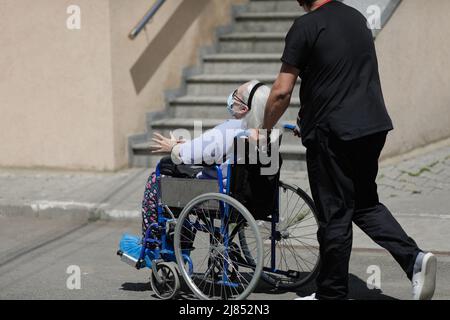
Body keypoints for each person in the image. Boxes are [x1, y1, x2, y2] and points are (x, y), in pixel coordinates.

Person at [262, 0, 437, 300]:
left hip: (334, 135)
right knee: (365, 205)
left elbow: (281, 91)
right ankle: (414, 260)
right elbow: (340, 77)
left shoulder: (305, 26)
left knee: (334, 215)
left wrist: (263, 129)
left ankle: (331, 295)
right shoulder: (357, 19)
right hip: (371, 127)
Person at [141, 80, 282, 234]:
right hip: (256, 197)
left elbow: (196, 153)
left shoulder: (232, 128)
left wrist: (174, 147)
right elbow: (210, 149)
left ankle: (156, 239)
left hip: (220, 194)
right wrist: (187, 145)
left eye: (236, 95)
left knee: (158, 176)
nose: (232, 98)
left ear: (244, 108)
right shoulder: (265, 133)